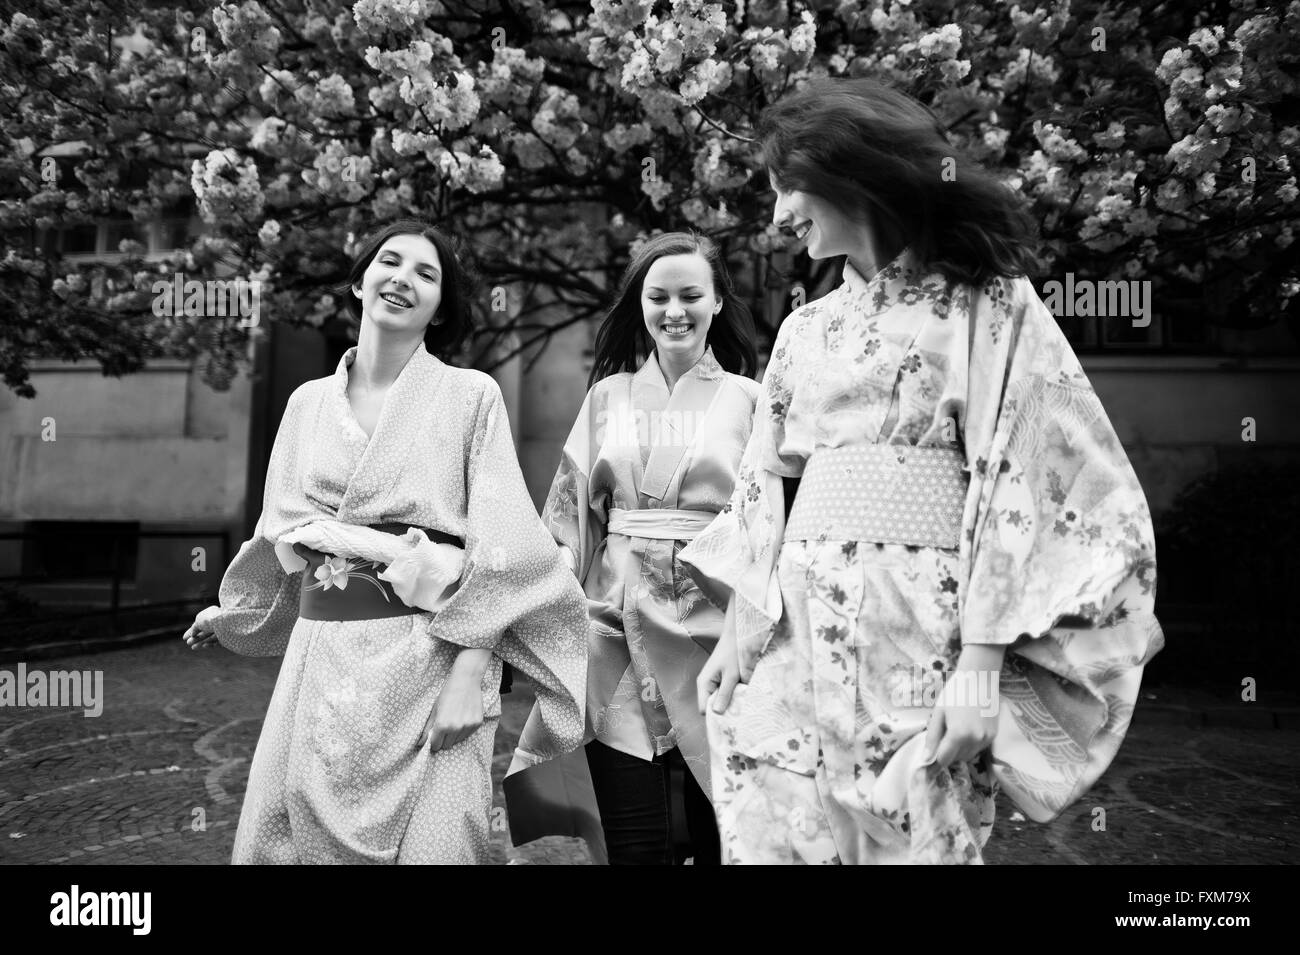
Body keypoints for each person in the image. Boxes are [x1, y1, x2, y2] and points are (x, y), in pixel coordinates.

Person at [680, 79, 1165, 864]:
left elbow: (1032, 479)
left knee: (915, 834)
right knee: (778, 830)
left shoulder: (989, 305)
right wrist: (738, 629)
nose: (776, 216)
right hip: (794, 634)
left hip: (921, 630)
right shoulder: (805, 329)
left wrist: (982, 660)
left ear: (851, 175)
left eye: (786, 187)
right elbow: (761, 483)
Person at [181, 218, 588, 864]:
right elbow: (280, 533)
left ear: (440, 308)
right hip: (320, 662)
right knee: (288, 837)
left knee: (439, 842)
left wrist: (473, 667)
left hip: (432, 652)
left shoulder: (469, 396)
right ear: (359, 280)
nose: (403, 278)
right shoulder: (307, 403)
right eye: (390, 262)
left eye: (427, 274)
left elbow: (505, 548)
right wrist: (233, 613)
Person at [506, 232, 759, 864]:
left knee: (724, 830)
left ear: (718, 303)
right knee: (633, 837)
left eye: (691, 295)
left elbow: (766, 524)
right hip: (613, 622)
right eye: (659, 296)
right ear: (639, 306)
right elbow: (569, 519)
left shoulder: (752, 401)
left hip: (716, 624)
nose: (675, 310)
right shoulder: (607, 398)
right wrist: (537, 606)